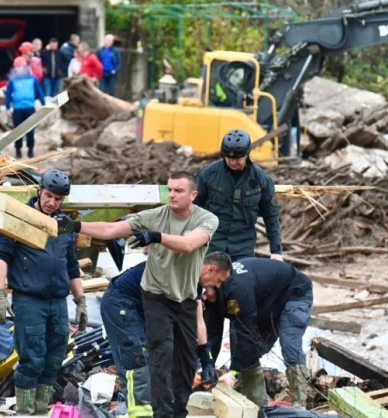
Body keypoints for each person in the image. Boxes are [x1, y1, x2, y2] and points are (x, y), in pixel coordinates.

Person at [56, 170, 220, 418]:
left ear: (193, 195)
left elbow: (189, 244)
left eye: (179, 190)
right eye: (170, 189)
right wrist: (77, 226)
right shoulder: (155, 216)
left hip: (183, 301)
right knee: (160, 357)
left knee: (185, 364)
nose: (172, 195)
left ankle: (177, 413)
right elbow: (112, 230)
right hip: (155, 299)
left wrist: (206, 360)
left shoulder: (206, 219)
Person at [0, 169, 88, 415]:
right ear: (39, 191)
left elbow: (72, 267)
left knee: (53, 359)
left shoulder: (64, 225)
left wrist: (80, 301)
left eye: (57, 199)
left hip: (57, 302)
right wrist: (0, 295)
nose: (51, 203)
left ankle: (39, 410)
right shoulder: (19, 219)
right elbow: (2, 258)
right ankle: (25, 412)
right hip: (30, 301)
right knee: (31, 359)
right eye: (48, 196)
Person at [100, 255, 226, 418]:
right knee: (138, 360)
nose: (217, 286)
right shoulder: (181, 268)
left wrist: (207, 360)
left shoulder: (194, 282)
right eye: (219, 281)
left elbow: (198, 321)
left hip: (143, 307)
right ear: (211, 269)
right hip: (122, 302)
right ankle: (140, 415)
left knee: (158, 359)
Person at [200, 256, 313, 408]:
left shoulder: (238, 289)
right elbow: (213, 335)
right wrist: (207, 368)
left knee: (289, 344)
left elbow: (246, 333)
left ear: (218, 285)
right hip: (266, 300)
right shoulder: (209, 294)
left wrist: (233, 373)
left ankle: (300, 404)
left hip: (294, 293)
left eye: (206, 291)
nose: (203, 296)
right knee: (253, 350)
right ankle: (256, 404)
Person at [194, 129, 283, 262]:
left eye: (237, 158)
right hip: (211, 245)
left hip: (243, 248)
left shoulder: (261, 180)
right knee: (206, 282)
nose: (233, 162)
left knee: (241, 282)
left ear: (247, 155)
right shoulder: (207, 175)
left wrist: (276, 251)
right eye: (229, 158)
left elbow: (271, 217)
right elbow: (192, 207)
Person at [6, 56, 45, 159]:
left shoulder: (33, 79)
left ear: (25, 67)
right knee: (17, 131)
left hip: (30, 108)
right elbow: (8, 94)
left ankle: (30, 149)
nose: (18, 69)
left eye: (20, 67)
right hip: (17, 109)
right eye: (16, 67)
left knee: (30, 130)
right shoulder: (13, 80)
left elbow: (39, 92)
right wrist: (7, 107)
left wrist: (43, 103)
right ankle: (18, 150)